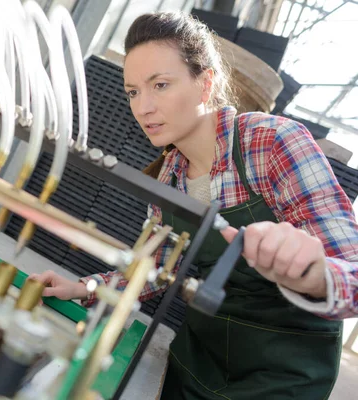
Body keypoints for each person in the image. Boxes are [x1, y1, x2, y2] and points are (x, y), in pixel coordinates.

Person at [29, 11, 358, 399]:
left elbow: (353, 274)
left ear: (205, 84)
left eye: (161, 85)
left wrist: (312, 275)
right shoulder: (168, 175)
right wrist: (85, 286)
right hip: (196, 361)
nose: (143, 107)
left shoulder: (272, 143)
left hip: (282, 378)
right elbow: (153, 268)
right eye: (133, 91)